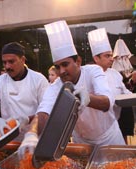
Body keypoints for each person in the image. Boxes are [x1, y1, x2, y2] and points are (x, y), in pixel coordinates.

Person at [18, 20, 125, 156]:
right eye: (57, 67)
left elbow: (107, 102)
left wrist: (88, 98)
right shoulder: (57, 85)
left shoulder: (93, 72)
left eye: (65, 64)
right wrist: (32, 134)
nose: (61, 71)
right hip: (81, 141)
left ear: (78, 62)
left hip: (109, 138)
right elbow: (43, 112)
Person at [0, 42, 49, 141]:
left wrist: (27, 119)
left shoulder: (38, 79)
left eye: (11, 61)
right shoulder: (0, 81)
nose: (7, 66)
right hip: (9, 138)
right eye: (4, 62)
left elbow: (47, 111)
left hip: (34, 137)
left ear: (22, 60)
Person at [89, 28, 133, 144]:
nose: (111, 58)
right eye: (107, 56)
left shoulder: (115, 74)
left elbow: (125, 93)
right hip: (92, 132)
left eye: (111, 55)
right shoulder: (87, 75)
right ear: (96, 58)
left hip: (113, 126)